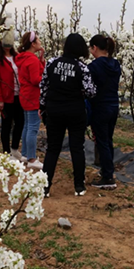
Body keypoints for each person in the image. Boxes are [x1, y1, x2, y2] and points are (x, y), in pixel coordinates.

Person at [40, 33, 96, 197]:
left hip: (54, 110)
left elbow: (43, 86)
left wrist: (42, 106)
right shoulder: (82, 68)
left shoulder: (51, 63)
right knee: (77, 148)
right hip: (75, 112)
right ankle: (79, 186)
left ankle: (45, 187)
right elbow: (91, 92)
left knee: (52, 149)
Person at [88, 34, 121, 189]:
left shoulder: (94, 66)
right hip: (114, 105)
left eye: (90, 48)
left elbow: (89, 88)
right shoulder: (116, 64)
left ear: (95, 48)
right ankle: (107, 171)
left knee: (102, 142)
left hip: (100, 107)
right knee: (108, 140)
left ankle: (108, 178)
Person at [0, 30, 24, 161]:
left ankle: (14, 148)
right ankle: (6, 152)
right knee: (6, 125)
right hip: (6, 97)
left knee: (20, 122)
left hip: (19, 95)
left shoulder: (17, 57)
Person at [15, 31, 45, 170]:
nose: (40, 42)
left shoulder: (24, 58)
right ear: (33, 44)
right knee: (33, 127)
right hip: (33, 96)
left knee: (27, 126)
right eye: (38, 40)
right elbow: (36, 79)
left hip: (25, 95)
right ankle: (32, 159)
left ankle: (26, 155)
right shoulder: (32, 59)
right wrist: (46, 81)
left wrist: (41, 59)